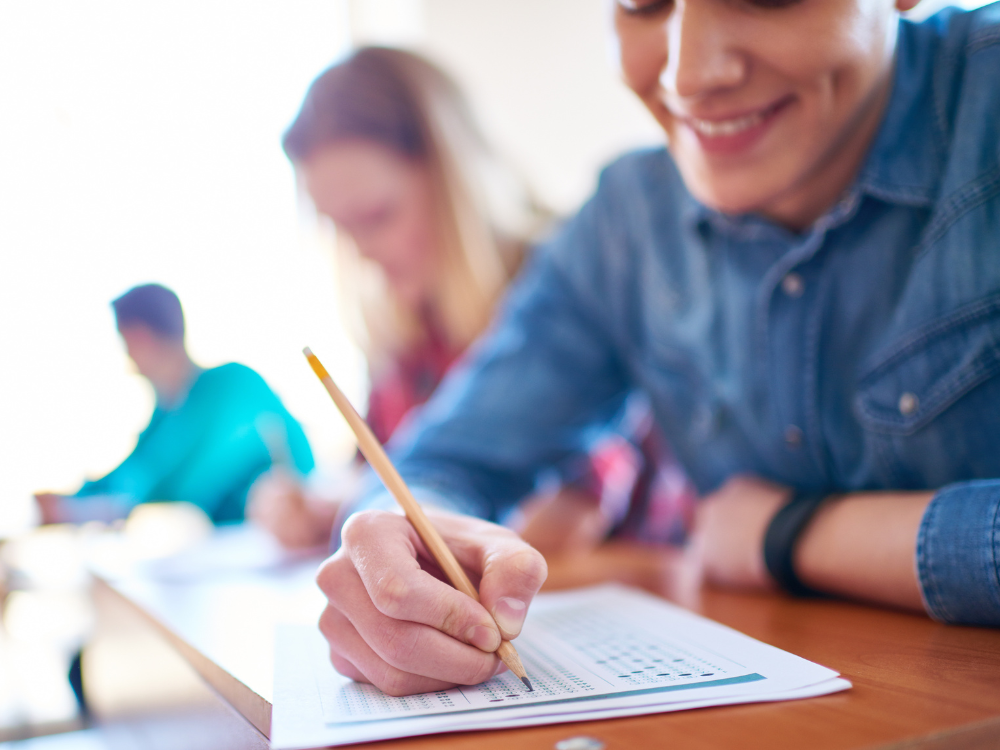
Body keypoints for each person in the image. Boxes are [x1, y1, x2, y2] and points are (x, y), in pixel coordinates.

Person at [312, 0, 1000, 697]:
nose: (690, 73)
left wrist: (790, 535)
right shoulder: (627, 222)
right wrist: (395, 547)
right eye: (641, 3)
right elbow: (441, 462)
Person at [248, 46, 696, 553]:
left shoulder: (568, 289)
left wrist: (405, 528)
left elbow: (567, 519)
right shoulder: (407, 335)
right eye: (342, 229)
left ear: (452, 177)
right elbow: (385, 479)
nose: (364, 252)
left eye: (376, 217)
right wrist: (330, 509)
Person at [34, 283, 314, 526]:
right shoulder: (168, 411)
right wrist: (71, 499)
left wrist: (74, 510)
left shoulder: (231, 385)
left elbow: (170, 488)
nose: (129, 361)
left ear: (139, 337)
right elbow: (133, 467)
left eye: (126, 344)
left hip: (298, 546)